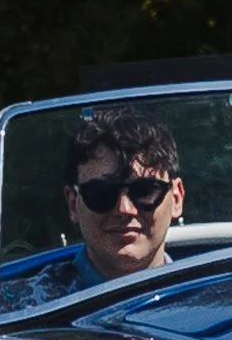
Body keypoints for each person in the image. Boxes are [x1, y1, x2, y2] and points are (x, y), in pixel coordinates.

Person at [63, 108, 187, 281]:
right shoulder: (30, 297)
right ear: (73, 204)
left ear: (176, 198)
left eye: (144, 190)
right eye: (102, 193)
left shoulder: (213, 293)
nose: (124, 209)